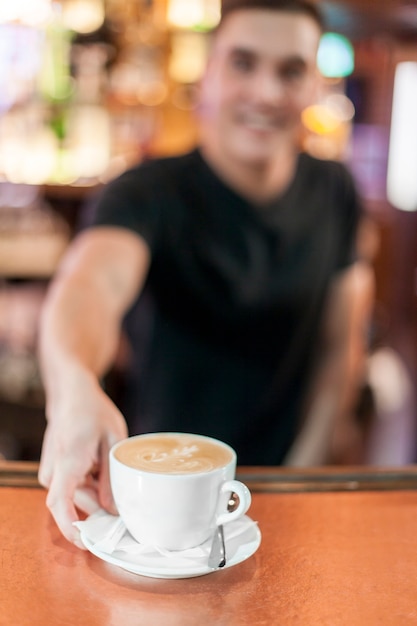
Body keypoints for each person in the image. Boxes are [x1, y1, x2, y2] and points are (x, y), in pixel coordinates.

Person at [38, 0, 374, 548]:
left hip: (286, 489)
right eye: (243, 63)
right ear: (208, 74)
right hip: (162, 502)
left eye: (290, 71)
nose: (266, 92)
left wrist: (304, 471)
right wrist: (73, 387)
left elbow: (341, 345)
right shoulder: (146, 192)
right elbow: (89, 286)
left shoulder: (335, 191)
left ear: (314, 85)